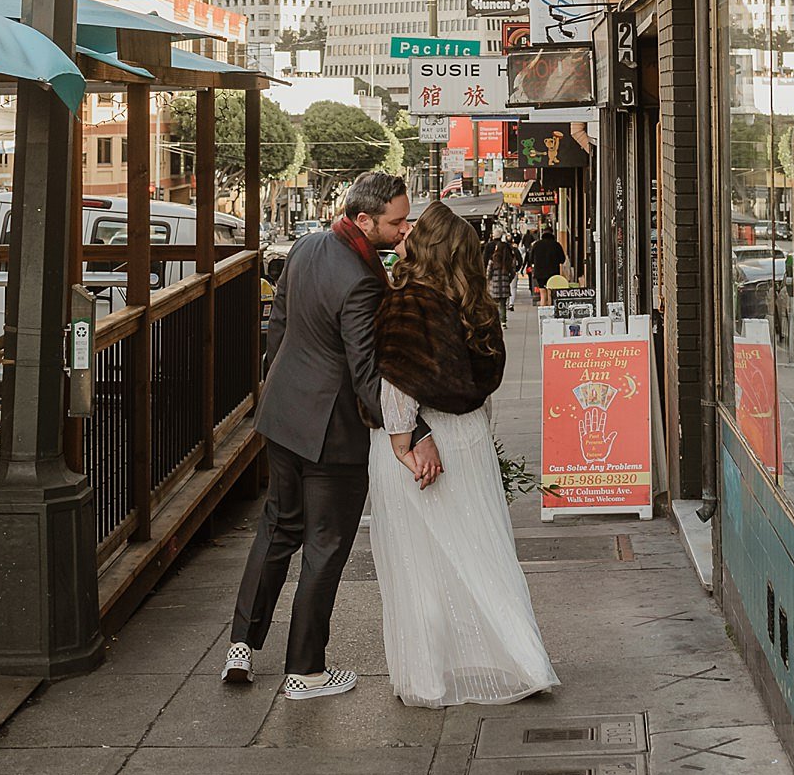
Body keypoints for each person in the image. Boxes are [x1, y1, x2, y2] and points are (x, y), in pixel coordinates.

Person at [223, 169, 414, 700]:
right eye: (396, 223)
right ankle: (305, 671)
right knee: (325, 547)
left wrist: (281, 384)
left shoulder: (305, 248)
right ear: (363, 219)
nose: (404, 231)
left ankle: (241, 645)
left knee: (277, 529)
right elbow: (364, 369)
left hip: (284, 413)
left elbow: (278, 329)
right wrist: (405, 427)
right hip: (333, 432)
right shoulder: (361, 277)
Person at [371, 201, 559, 706]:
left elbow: (396, 383)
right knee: (485, 553)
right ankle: (524, 660)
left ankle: (427, 677)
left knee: (417, 564)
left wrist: (403, 440)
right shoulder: (477, 305)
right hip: (469, 434)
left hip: (422, 440)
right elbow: (485, 382)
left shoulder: (407, 300)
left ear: (427, 246)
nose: (405, 232)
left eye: (414, 229)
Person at [524, 227, 566, 303]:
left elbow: (531, 259)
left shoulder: (536, 245)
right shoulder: (556, 245)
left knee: (542, 293)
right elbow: (562, 260)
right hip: (553, 273)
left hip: (540, 273)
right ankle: (550, 310)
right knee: (550, 292)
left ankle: (543, 310)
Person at [488, 230, 522, 310]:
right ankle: (510, 305)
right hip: (506, 281)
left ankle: (498, 317)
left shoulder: (492, 258)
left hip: (494, 283)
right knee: (512, 290)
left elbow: (488, 271)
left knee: (495, 303)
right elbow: (517, 263)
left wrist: (489, 279)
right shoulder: (510, 255)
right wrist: (515, 271)